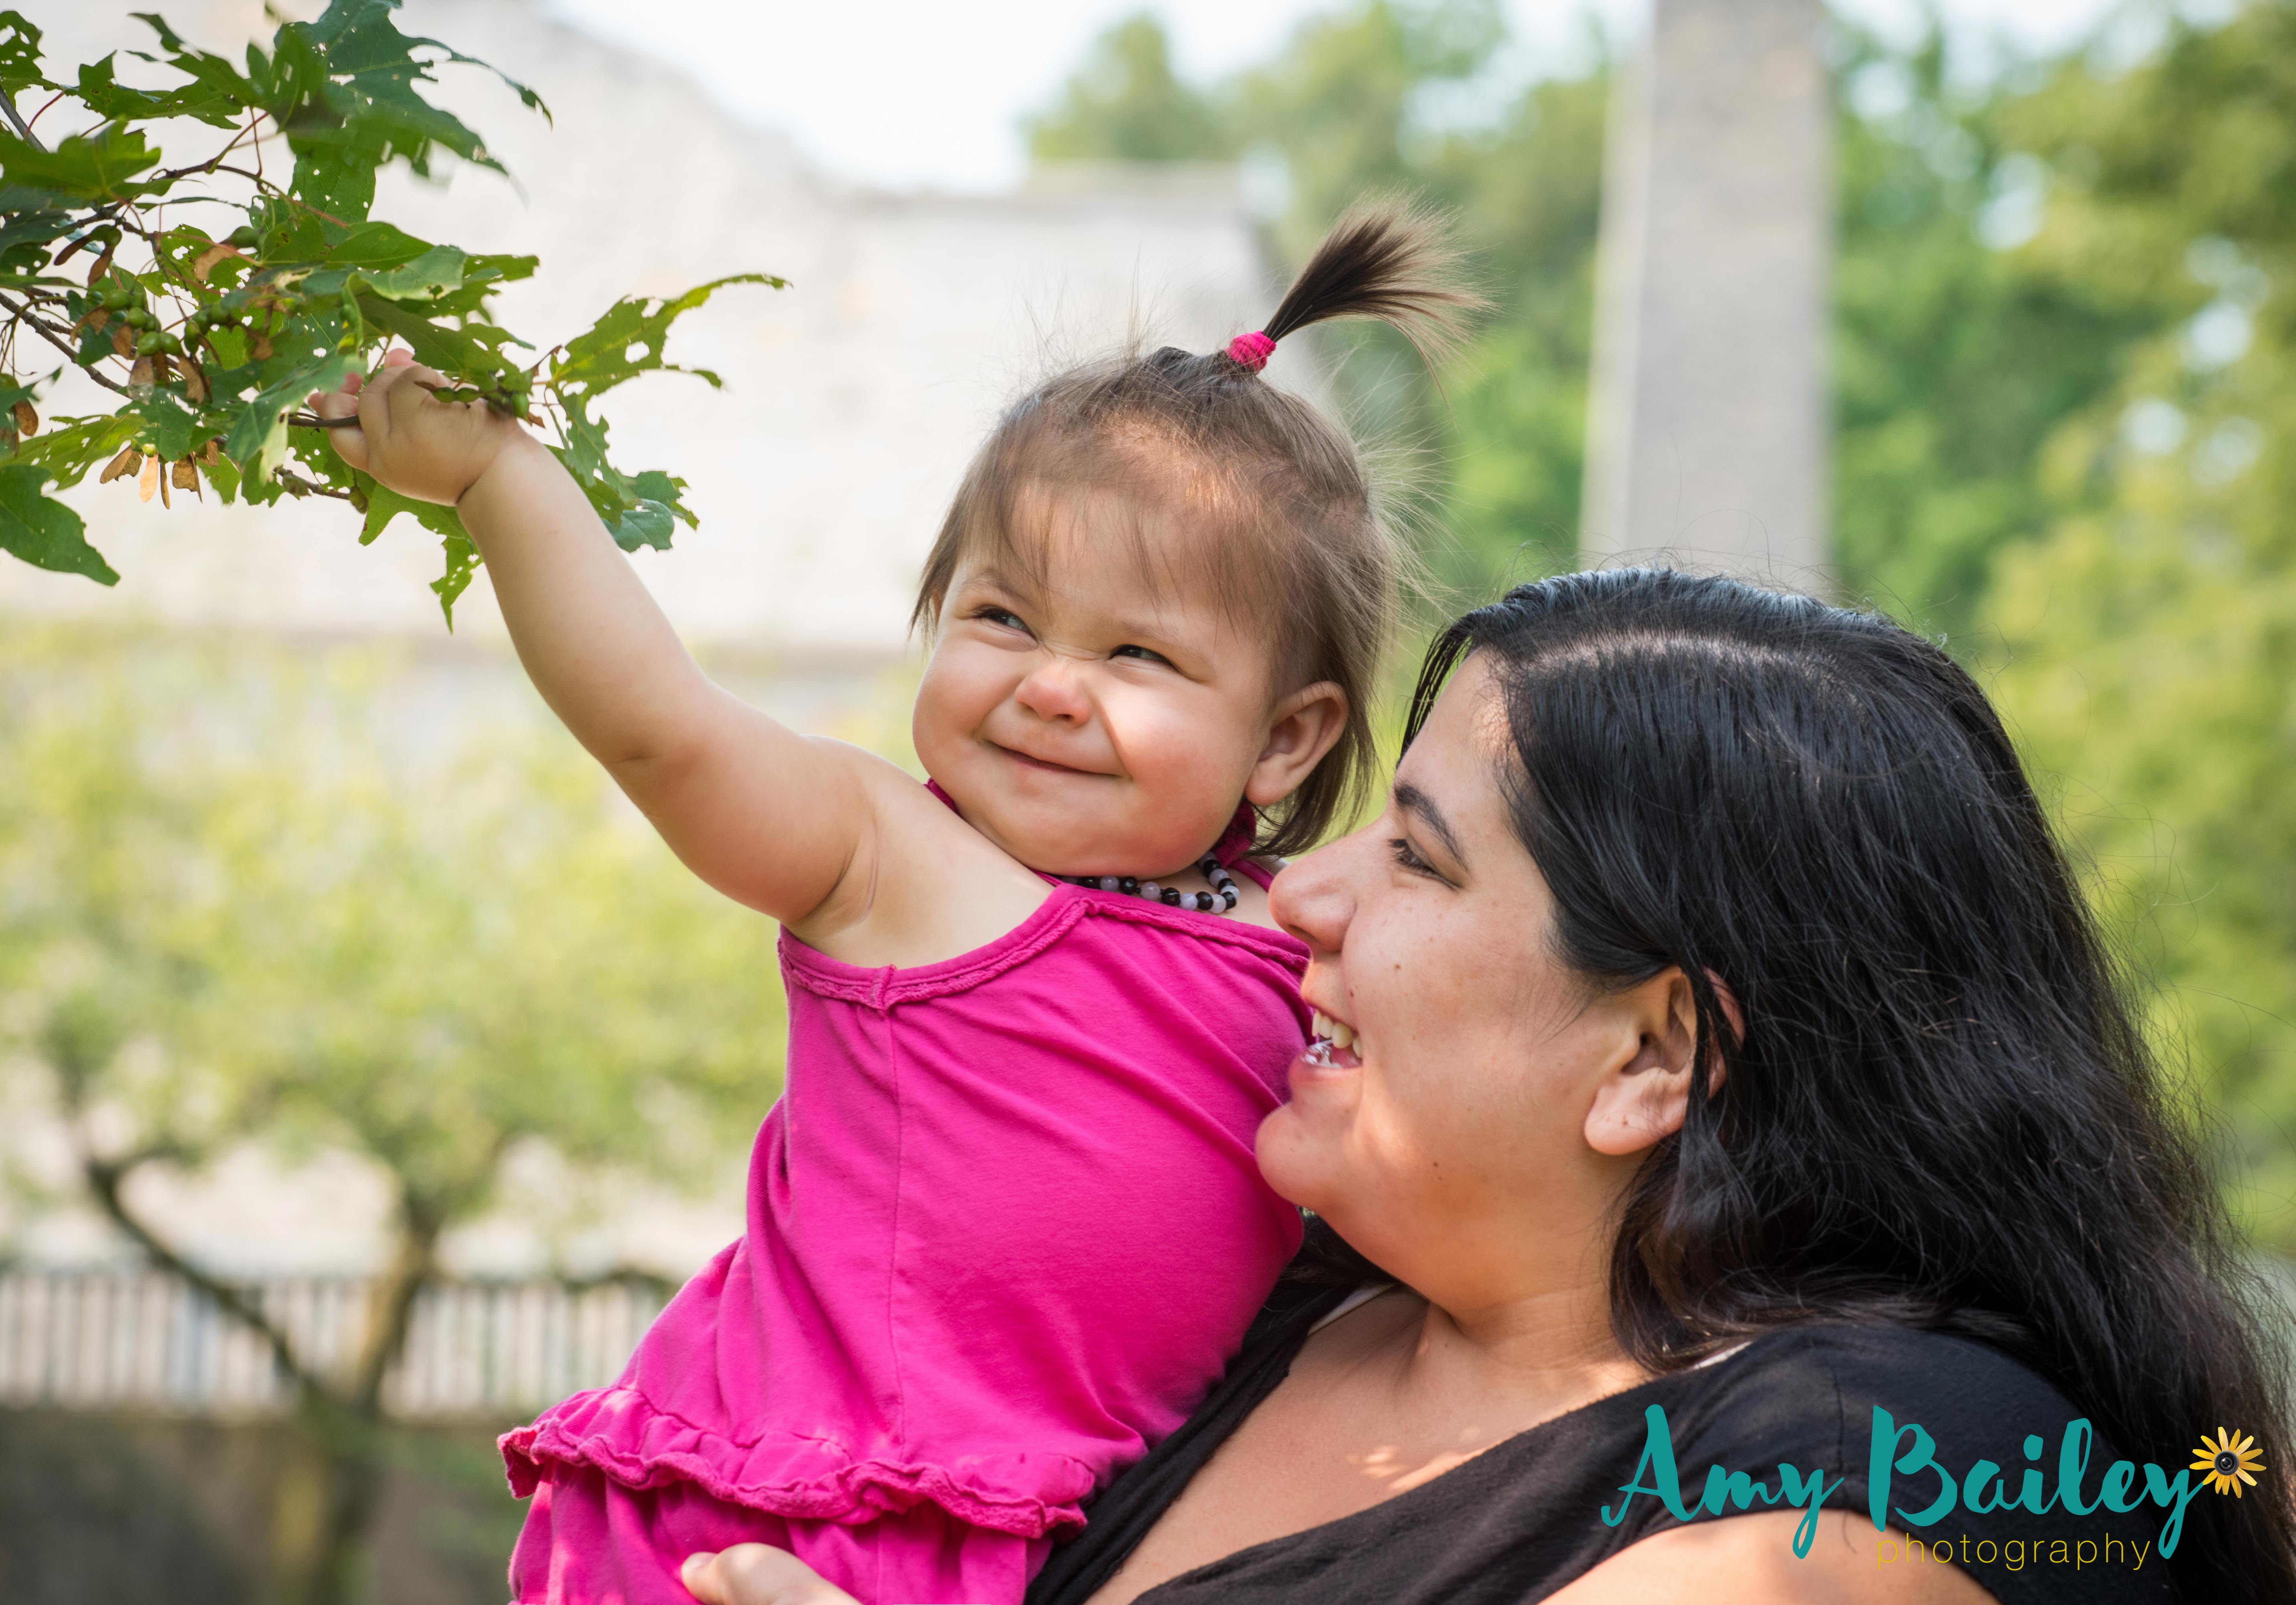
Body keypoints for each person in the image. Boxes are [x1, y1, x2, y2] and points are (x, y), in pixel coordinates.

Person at [678, 571, 2296, 1605]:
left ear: (1653, 1056)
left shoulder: (1888, 1469)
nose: (1301, 897)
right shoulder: (1267, 1305)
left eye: (1418, 856)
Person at [307, 205, 1479, 1605]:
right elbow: (661, 729)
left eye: (1137, 654)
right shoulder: (887, 859)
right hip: (776, 1517)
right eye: (1003, 619)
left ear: (1285, 740)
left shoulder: (1302, 943)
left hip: (1047, 1546)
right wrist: (497, 478)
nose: (1051, 685)